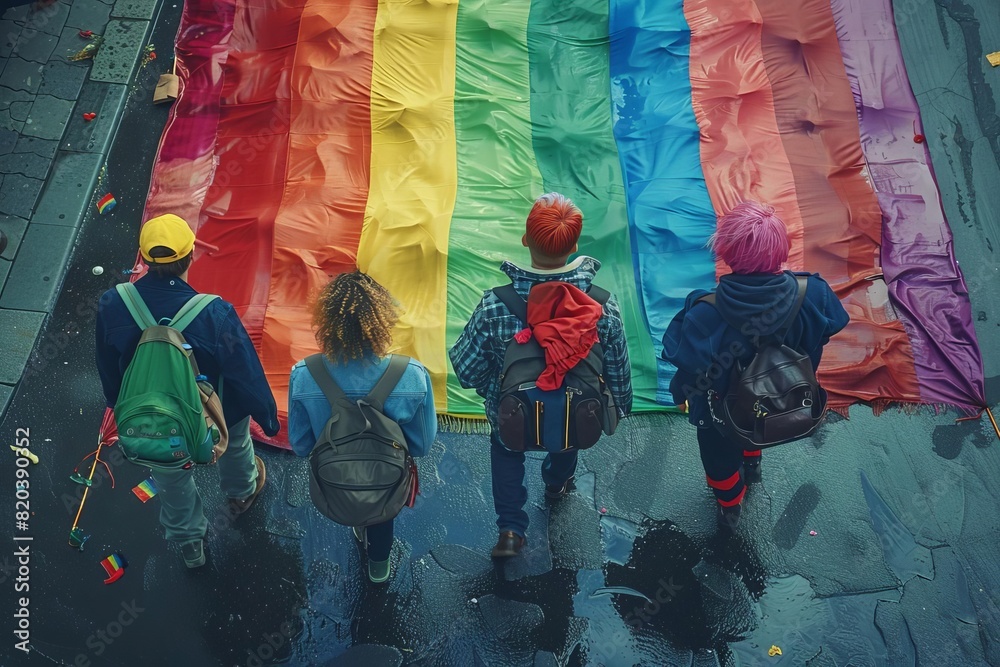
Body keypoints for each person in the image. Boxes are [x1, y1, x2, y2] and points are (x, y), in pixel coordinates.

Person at [451, 192, 632, 558]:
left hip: (511, 413)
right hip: (575, 413)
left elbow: (466, 370)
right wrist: (621, 407)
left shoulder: (494, 304)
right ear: (576, 244)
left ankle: (511, 531)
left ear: (525, 240)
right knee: (565, 442)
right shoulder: (602, 302)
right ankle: (555, 484)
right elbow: (617, 367)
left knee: (506, 454)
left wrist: (493, 386)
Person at [96, 214, 279, 568]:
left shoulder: (112, 303)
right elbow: (245, 372)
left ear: (146, 259)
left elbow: (107, 362)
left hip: (155, 415)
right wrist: (267, 417)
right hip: (217, 410)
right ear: (191, 255)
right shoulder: (215, 313)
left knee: (172, 480)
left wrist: (116, 404)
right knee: (237, 445)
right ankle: (241, 493)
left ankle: (191, 547)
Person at [662, 201, 849, 530]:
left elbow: (689, 368)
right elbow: (831, 326)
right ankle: (754, 461)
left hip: (722, 414)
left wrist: (680, 394)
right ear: (781, 250)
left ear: (727, 253)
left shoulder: (705, 312)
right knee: (759, 419)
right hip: (784, 399)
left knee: (720, 460)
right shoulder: (814, 294)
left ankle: (731, 505)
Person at [288, 271, 436, 583]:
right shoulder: (411, 374)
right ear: (382, 321)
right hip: (387, 478)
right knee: (382, 514)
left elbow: (301, 446)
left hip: (335, 480)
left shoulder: (304, 374)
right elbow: (421, 445)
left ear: (326, 323)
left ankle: (355, 521)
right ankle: (378, 566)